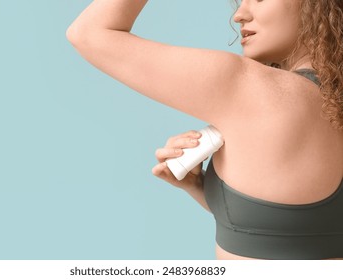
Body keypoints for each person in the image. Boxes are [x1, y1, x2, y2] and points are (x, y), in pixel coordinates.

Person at [66, 0, 343, 259]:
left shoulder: (249, 88)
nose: (239, 14)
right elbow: (304, 233)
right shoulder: (332, 102)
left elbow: (88, 33)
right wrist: (209, 193)